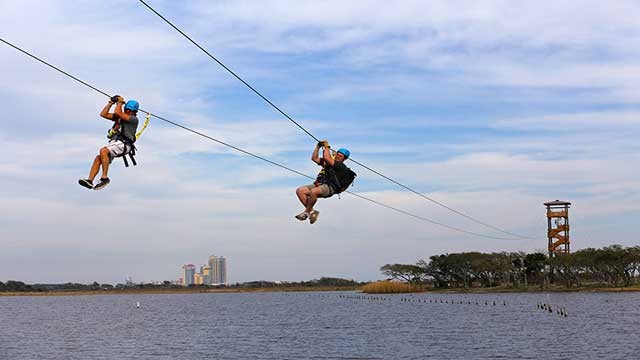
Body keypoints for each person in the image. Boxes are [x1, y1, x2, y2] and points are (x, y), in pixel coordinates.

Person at [78, 95, 140, 190]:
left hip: (124, 144)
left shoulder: (133, 119)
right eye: (126, 109)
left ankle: (104, 178)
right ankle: (90, 180)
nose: (126, 111)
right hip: (116, 143)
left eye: (128, 110)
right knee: (98, 158)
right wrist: (111, 103)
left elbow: (117, 112)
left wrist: (120, 102)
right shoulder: (120, 116)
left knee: (103, 151)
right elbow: (103, 114)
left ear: (134, 112)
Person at [295, 140, 352, 224]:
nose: (338, 157)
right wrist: (318, 147)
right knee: (300, 191)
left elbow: (326, 158)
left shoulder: (340, 166)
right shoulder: (329, 163)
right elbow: (314, 158)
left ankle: (306, 212)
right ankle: (312, 212)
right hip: (320, 184)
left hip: (330, 188)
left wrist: (326, 147)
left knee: (314, 192)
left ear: (344, 159)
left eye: (340, 156)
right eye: (337, 155)